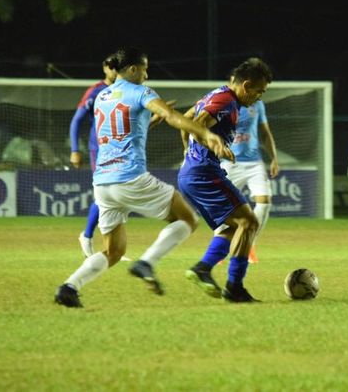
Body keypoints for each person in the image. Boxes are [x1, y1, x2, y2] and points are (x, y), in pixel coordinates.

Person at [55, 47, 233, 308]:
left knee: (114, 251)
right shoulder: (140, 92)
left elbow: (120, 130)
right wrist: (207, 134)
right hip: (130, 178)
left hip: (103, 183)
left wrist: (147, 122)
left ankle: (69, 287)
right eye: (145, 69)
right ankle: (146, 263)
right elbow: (173, 116)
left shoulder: (103, 96)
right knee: (187, 218)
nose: (147, 75)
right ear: (133, 69)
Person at [178, 57, 273, 303]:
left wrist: (186, 153)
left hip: (193, 172)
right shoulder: (226, 100)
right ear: (246, 85)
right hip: (204, 172)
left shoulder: (215, 95)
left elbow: (185, 119)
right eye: (258, 92)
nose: (258, 98)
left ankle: (203, 268)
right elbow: (197, 125)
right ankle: (234, 287)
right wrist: (212, 143)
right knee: (249, 223)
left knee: (232, 228)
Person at [220, 69, 279, 263]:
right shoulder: (224, 103)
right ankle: (220, 248)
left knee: (264, 201)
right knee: (223, 206)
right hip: (230, 162)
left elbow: (265, 132)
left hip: (254, 162)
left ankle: (249, 243)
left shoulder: (257, 105)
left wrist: (274, 158)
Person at [69, 54, 118, 258]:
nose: (116, 70)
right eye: (112, 67)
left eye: (119, 67)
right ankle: (87, 235)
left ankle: (113, 246)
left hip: (119, 149)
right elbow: (77, 120)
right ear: (105, 68)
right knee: (106, 193)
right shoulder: (96, 91)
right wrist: (74, 149)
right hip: (98, 149)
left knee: (116, 195)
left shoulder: (124, 90)